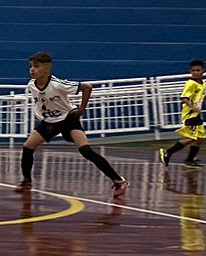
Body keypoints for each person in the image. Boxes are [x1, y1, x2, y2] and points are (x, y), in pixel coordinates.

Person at [18, 51, 127, 197]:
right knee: (28, 146)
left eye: (36, 67)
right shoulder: (31, 85)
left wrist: (82, 109)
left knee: (85, 150)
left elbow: (87, 87)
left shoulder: (58, 84)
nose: (32, 69)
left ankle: (118, 180)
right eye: (30, 66)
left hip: (68, 120)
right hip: (50, 122)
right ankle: (26, 181)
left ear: (47, 68)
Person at [160, 59, 206, 169]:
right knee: (192, 138)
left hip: (196, 115)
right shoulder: (190, 83)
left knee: (200, 138)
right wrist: (193, 107)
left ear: (203, 71)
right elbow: (184, 97)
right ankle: (168, 152)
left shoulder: (202, 83)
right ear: (190, 71)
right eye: (193, 70)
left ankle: (189, 160)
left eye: (198, 70)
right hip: (190, 115)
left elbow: (202, 95)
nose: (196, 72)